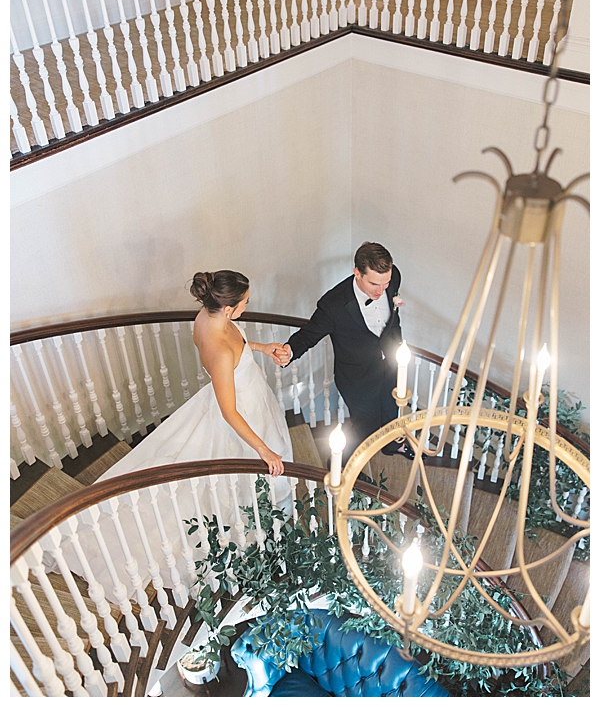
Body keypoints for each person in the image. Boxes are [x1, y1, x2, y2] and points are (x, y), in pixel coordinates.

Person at [67, 270, 294, 600]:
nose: (248, 306)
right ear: (228, 309)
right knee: (226, 489)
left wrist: (260, 347)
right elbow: (230, 412)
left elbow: (238, 345)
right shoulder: (217, 349)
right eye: (245, 303)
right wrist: (264, 450)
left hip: (247, 399)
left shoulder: (205, 316)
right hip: (242, 416)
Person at [275, 242, 404, 460]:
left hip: (391, 364)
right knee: (365, 427)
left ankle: (391, 445)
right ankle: (340, 464)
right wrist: (289, 350)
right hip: (358, 377)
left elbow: (392, 317)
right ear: (357, 273)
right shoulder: (333, 305)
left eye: (386, 284)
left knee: (392, 409)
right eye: (374, 284)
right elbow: (308, 335)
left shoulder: (393, 278)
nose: (381, 291)